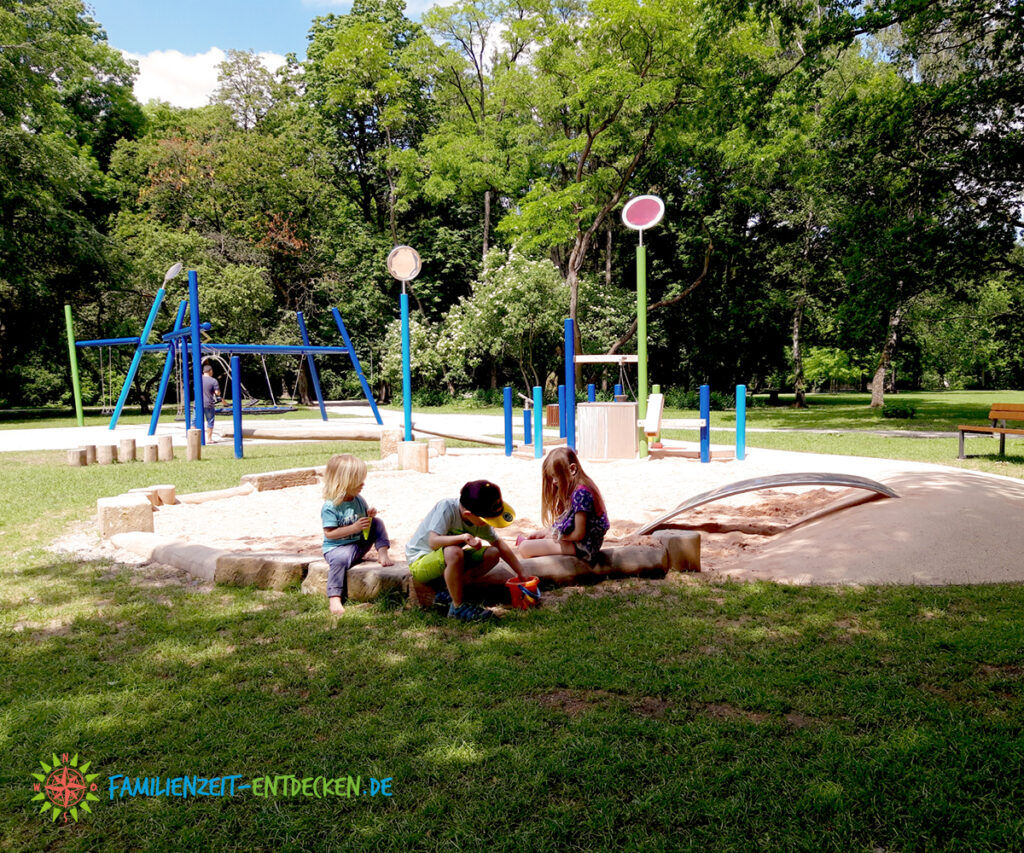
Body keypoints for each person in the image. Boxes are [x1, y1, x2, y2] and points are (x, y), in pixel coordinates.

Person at [405, 480, 527, 622]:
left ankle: (448, 593)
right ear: (468, 514)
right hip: (420, 561)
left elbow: (498, 544)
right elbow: (433, 542)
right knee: (453, 551)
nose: (487, 524)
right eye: (486, 520)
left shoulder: (478, 517)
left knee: (493, 553)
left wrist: (521, 572)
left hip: (446, 561)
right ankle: (457, 607)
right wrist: (463, 537)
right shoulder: (447, 508)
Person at [321, 454, 393, 615]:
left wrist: (369, 516)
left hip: (358, 544)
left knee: (377, 523)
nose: (363, 484)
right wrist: (353, 528)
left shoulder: (358, 499)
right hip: (337, 548)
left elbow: (364, 522)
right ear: (345, 482)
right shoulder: (330, 506)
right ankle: (334, 597)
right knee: (338, 561)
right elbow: (330, 534)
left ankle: (382, 553)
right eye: (358, 480)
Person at [518, 447, 609, 564]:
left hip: (584, 547)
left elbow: (579, 534)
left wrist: (557, 536)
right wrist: (548, 532)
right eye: (552, 478)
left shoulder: (581, 493)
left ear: (572, 469)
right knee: (532, 542)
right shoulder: (580, 488)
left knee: (525, 547)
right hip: (580, 543)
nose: (554, 482)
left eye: (556, 476)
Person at [200, 363, 221, 443]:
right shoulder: (213, 380)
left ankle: (194, 437)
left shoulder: (198, 379)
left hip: (198, 404)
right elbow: (217, 393)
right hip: (208, 403)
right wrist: (218, 392)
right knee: (210, 421)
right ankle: (209, 439)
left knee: (194, 421)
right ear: (210, 371)